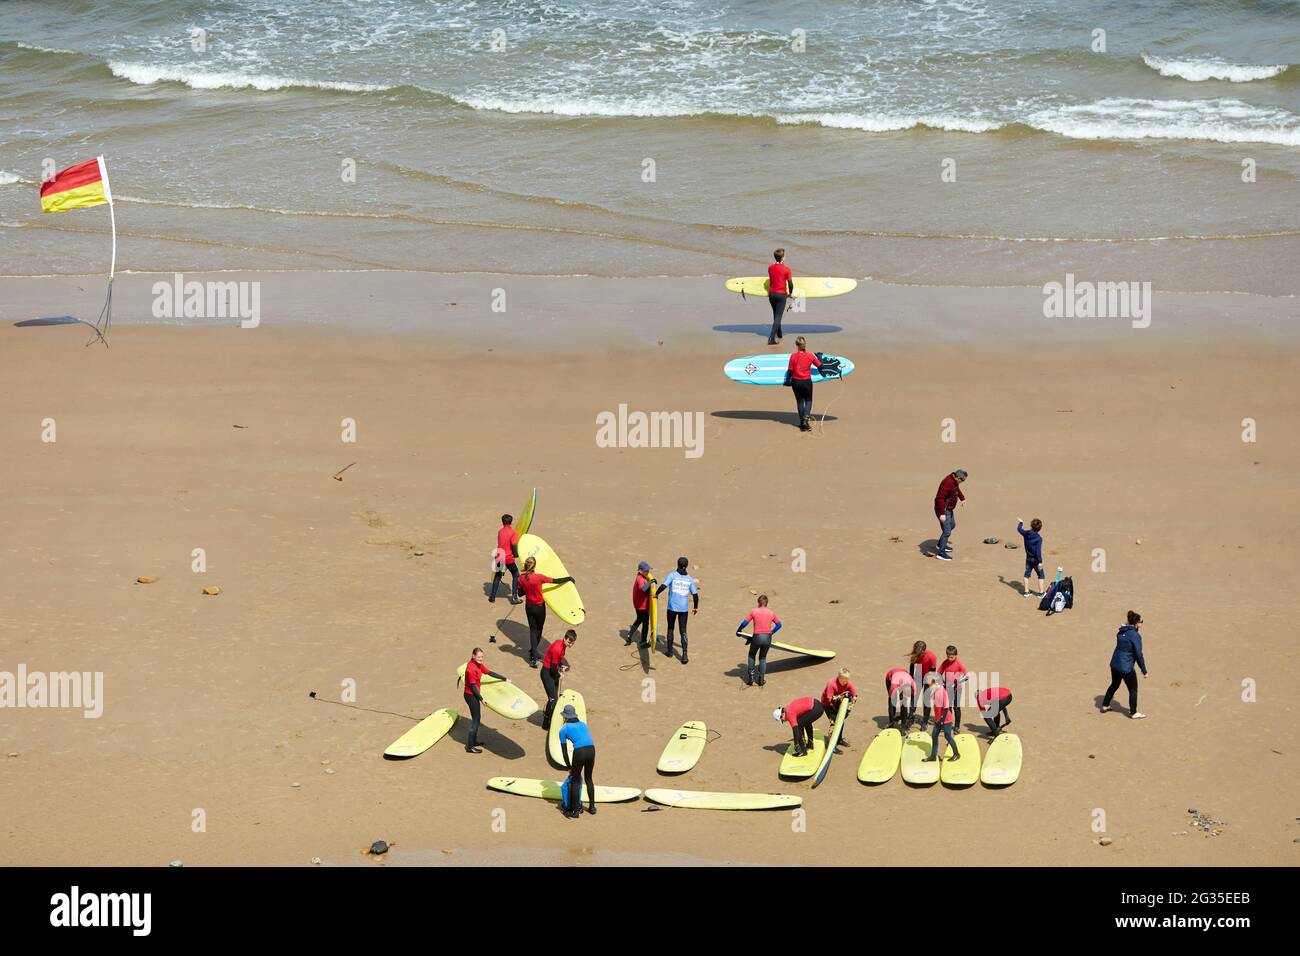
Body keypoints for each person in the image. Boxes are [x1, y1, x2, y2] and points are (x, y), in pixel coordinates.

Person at [518, 556, 575, 669]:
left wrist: (527, 588)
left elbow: (519, 594)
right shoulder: (539, 577)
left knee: (533, 630)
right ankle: (534, 654)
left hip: (529, 607)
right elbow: (555, 581)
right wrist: (568, 578)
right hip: (539, 607)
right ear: (534, 566)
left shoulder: (521, 578)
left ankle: (533, 653)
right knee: (539, 629)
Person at [1101, 611, 1148, 719]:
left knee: (1114, 684)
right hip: (1126, 667)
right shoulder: (1135, 636)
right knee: (1133, 689)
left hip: (1115, 664)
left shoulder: (1121, 631)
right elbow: (1138, 654)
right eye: (1141, 621)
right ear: (1136, 623)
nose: (1141, 623)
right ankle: (1133, 712)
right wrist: (1144, 670)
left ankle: (1105, 705)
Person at [462, 647, 507, 754]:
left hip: (474, 694)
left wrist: (504, 678)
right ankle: (470, 746)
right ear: (473, 656)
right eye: (478, 657)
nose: (481, 659)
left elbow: (489, 672)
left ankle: (474, 741)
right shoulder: (471, 669)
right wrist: (481, 699)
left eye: (482, 657)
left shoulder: (478, 664)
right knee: (475, 720)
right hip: (470, 695)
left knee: (477, 718)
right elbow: (473, 686)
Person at [656, 556, 698, 664]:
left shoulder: (672, 575)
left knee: (670, 628)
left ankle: (670, 652)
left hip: (672, 608)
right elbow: (695, 594)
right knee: (683, 630)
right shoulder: (689, 579)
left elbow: (663, 586)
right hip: (684, 609)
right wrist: (695, 607)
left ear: (677, 564)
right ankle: (684, 655)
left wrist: (656, 594)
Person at [558, 704, 597, 818]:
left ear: (565, 717)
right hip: (591, 749)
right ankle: (592, 807)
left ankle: (575, 811)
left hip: (579, 752)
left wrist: (569, 766)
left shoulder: (563, 729)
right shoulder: (583, 725)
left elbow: (564, 752)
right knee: (588, 778)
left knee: (575, 780)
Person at [736, 594, 782, 686]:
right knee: (763, 658)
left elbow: (744, 623)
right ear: (766, 603)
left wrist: (739, 630)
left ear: (758, 603)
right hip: (767, 637)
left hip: (757, 637)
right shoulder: (771, 613)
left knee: (752, 655)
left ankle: (751, 678)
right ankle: (761, 680)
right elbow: (779, 624)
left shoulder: (754, 611)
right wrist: (771, 632)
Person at [540, 629, 575, 730]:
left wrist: (561, 665)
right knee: (552, 699)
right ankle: (546, 724)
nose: (570, 645)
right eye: (569, 642)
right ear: (565, 638)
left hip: (552, 671)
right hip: (547, 673)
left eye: (572, 643)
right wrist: (559, 675)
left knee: (554, 698)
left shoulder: (562, 645)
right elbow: (552, 669)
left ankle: (552, 717)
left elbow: (555, 662)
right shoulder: (558, 648)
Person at [921, 673, 960, 763]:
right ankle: (933, 756)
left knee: (948, 736)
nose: (928, 684)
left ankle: (956, 754)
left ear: (934, 682)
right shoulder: (935, 690)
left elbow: (946, 708)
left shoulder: (942, 691)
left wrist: (942, 721)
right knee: (934, 736)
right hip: (938, 719)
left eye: (929, 682)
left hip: (945, 719)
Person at [786, 336, 821, 432]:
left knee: (800, 402)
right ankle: (806, 420)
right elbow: (820, 367)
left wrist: (786, 381)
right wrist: (819, 357)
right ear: (805, 345)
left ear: (797, 345)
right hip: (806, 382)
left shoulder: (793, 356)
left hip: (796, 382)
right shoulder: (810, 356)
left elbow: (790, 370)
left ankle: (802, 423)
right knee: (808, 400)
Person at [933, 469, 968, 560]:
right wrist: (942, 513)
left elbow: (957, 489)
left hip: (949, 509)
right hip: (943, 510)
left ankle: (940, 544)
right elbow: (939, 498)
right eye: (962, 480)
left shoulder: (954, 481)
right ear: (957, 477)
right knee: (947, 531)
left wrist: (962, 498)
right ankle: (941, 553)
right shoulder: (947, 482)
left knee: (952, 525)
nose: (962, 482)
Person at [821, 668, 859, 746]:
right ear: (838, 678)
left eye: (847, 680)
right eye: (843, 680)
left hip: (838, 704)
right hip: (827, 704)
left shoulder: (848, 683)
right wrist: (842, 696)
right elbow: (830, 699)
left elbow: (855, 696)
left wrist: (848, 710)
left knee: (841, 721)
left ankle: (839, 740)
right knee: (834, 722)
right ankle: (831, 744)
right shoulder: (831, 683)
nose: (845, 682)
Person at [489, 513, 521, 604]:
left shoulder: (500, 531)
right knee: (515, 574)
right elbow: (513, 544)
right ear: (511, 522)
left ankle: (492, 597)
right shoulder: (513, 532)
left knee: (498, 575)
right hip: (508, 557)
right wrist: (516, 554)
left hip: (499, 556)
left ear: (502, 522)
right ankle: (514, 597)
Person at [937, 645, 970, 730]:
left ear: (956, 655)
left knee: (956, 708)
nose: (950, 659)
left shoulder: (958, 664)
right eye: (948, 657)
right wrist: (942, 682)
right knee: (948, 707)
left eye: (952, 657)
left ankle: (957, 727)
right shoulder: (945, 662)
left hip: (957, 689)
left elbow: (967, 676)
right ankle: (948, 724)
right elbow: (938, 673)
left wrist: (958, 681)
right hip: (947, 689)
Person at [909, 641, 938, 729]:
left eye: (919, 653)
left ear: (924, 651)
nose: (918, 655)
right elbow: (912, 666)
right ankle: (911, 717)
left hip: (928, 676)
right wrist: (911, 678)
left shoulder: (931, 656)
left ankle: (924, 722)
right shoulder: (915, 654)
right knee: (914, 697)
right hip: (918, 676)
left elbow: (933, 671)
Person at [767, 248, 793, 345]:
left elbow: (773, 279)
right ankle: (771, 339)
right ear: (783, 258)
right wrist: (790, 293)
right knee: (778, 316)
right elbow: (790, 284)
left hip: (771, 294)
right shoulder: (787, 269)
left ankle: (780, 334)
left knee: (776, 315)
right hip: (781, 295)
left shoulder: (770, 268)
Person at [626, 562, 655, 648]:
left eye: (648, 570)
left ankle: (629, 635)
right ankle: (643, 642)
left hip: (638, 604)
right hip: (641, 606)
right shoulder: (640, 579)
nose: (648, 572)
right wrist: (650, 582)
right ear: (641, 571)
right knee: (645, 623)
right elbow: (643, 589)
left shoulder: (640, 577)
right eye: (646, 571)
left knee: (639, 620)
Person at [1017, 517, 1045, 597]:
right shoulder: (1039, 538)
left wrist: (1021, 523)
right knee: (1041, 575)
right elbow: (1038, 552)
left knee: (1026, 575)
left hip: (1028, 559)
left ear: (1031, 526)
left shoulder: (1026, 533)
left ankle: (1026, 592)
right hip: (1036, 560)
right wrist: (1040, 562)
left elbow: (1019, 529)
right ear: (1040, 528)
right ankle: (1041, 593)